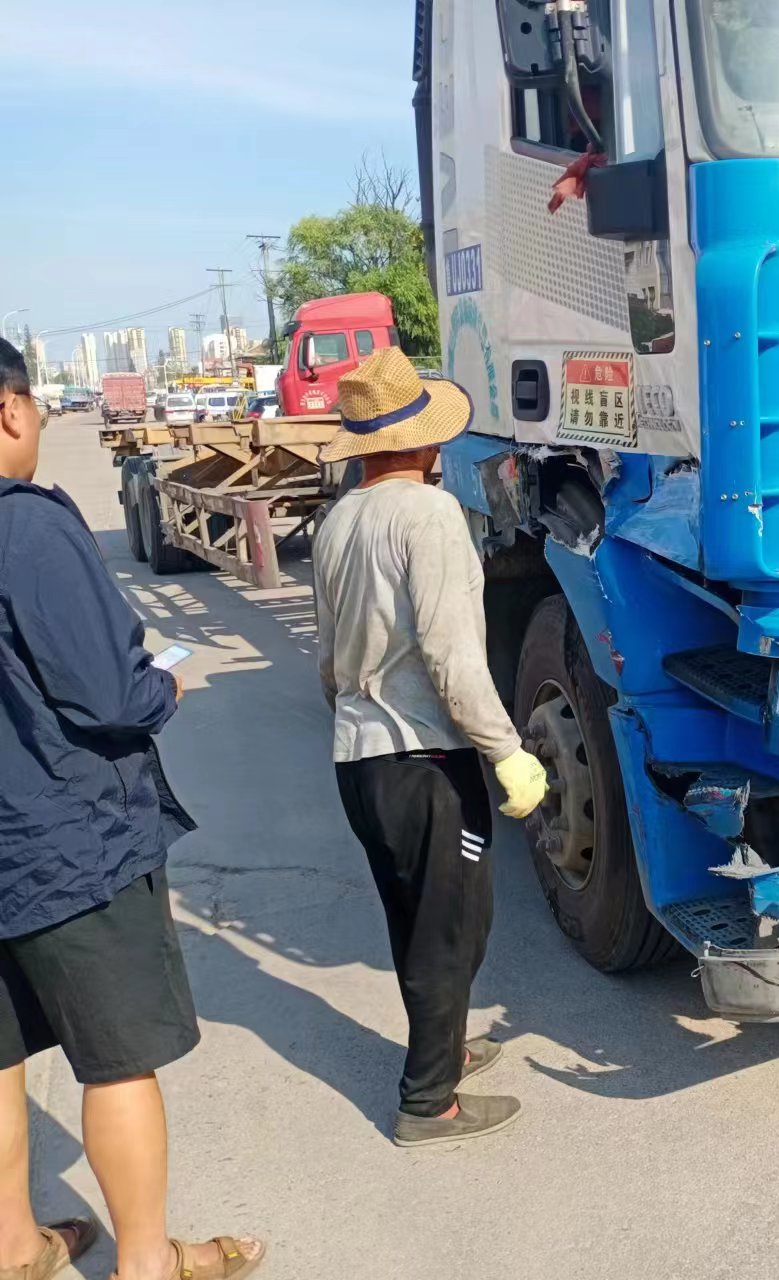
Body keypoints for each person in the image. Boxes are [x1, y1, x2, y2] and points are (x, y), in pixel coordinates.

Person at [0, 338, 264, 1279]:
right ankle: (147, 1262)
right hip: (62, 839)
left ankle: (15, 1246)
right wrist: (162, 690)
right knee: (116, 1058)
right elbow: (106, 693)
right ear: (11, 410)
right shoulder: (25, 527)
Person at [314, 349, 548, 1148]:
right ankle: (428, 1102)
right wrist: (505, 749)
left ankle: (444, 1049)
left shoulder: (338, 523)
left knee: (415, 919)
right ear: (419, 440)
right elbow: (452, 656)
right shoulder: (430, 515)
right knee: (454, 927)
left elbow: (327, 662)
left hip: (360, 760)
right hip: (426, 761)